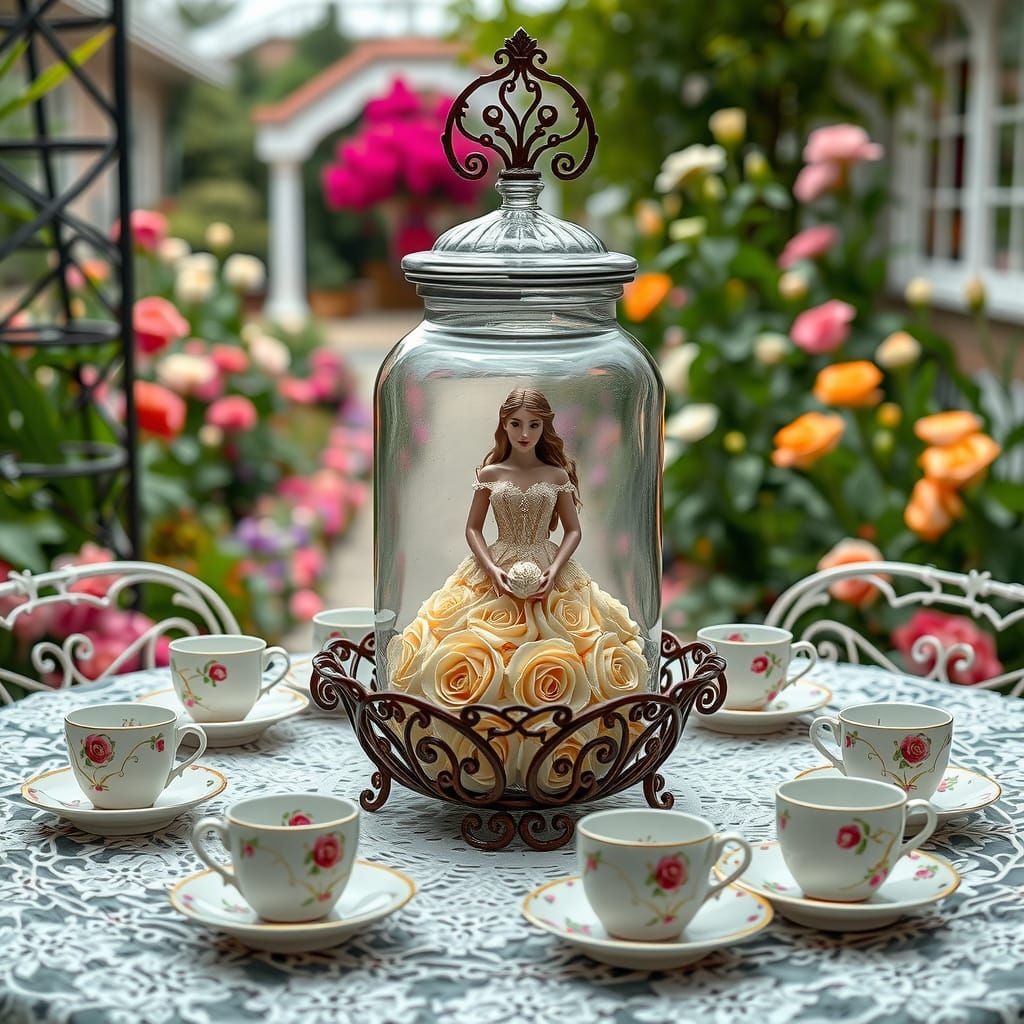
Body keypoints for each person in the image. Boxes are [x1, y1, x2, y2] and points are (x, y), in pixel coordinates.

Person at [386, 388, 647, 706]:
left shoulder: (555, 475)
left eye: (534, 425)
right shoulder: (491, 474)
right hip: (498, 560)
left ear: (545, 427)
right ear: (504, 425)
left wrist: (554, 569)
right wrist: (491, 568)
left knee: (566, 634)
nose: (525, 433)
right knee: (472, 630)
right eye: (516, 424)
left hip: (547, 562)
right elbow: (473, 528)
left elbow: (573, 531)